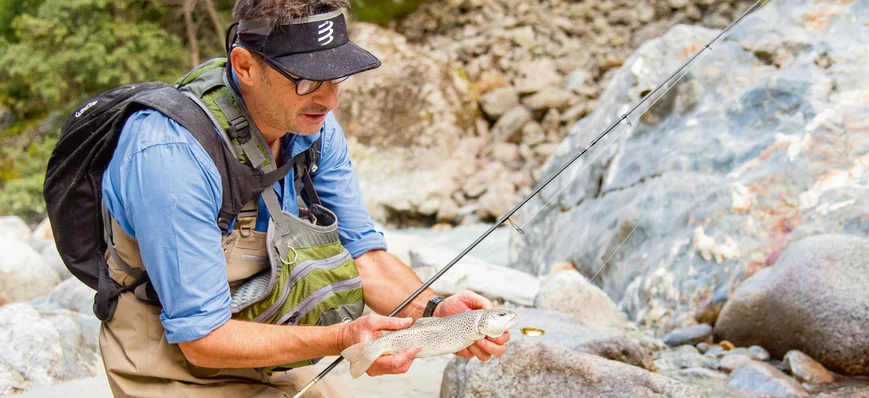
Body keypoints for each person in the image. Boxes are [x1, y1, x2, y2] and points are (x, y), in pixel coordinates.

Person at [97, 0, 510, 397]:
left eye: (337, 77)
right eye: (307, 79)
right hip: (171, 358)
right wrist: (344, 339)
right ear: (245, 67)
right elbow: (203, 339)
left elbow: (363, 255)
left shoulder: (313, 129)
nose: (330, 101)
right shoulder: (170, 154)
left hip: (275, 343)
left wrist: (434, 311)